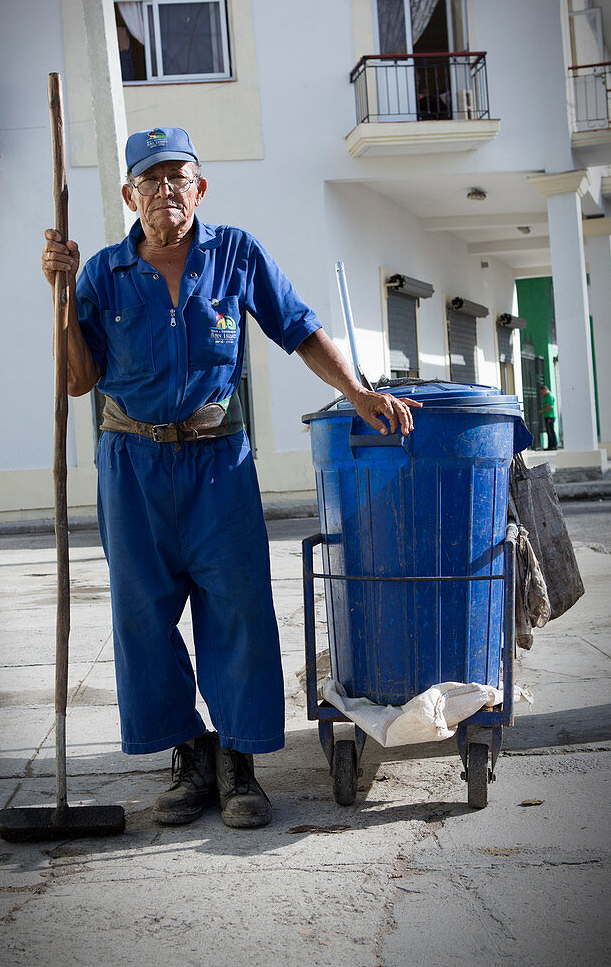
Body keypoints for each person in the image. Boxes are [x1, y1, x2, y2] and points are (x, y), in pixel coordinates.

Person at [41, 127, 421, 829]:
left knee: (239, 611)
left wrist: (358, 393)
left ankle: (239, 766)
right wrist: (61, 295)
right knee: (143, 618)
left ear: (199, 187)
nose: (165, 192)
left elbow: (299, 328)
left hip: (219, 462)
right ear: (130, 194)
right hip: (131, 466)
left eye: (177, 177)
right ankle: (189, 759)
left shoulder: (236, 254)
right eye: (150, 181)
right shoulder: (99, 273)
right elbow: (76, 379)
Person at [538, 383, 557, 450]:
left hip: (550, 416)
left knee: (550, 431)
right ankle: (551, 446)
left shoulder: (549, 396)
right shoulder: (547, 396)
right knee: (549, 431)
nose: (542, 394)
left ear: (545, 390)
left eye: (542, 392)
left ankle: (553, 445)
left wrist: (542, 411)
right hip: (547, 416)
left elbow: (550, 406)